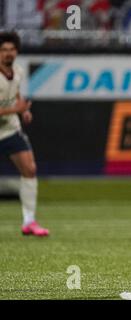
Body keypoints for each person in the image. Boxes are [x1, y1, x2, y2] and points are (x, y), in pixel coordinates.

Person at [0, 32, 49, 237]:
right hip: (8, 120)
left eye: (11, 49)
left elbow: (16, 94)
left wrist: (24, 110)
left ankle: (29, 222)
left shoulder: (18, 71)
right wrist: (16, 110)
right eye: (3, 50)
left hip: (9, 129)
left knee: (29, 169)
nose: (8, 53)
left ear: (17, 51)